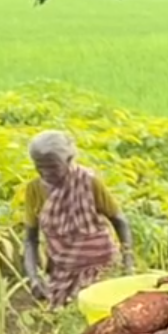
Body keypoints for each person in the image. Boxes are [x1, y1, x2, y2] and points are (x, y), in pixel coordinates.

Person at [22, 130, 134, 307]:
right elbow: (30, 239)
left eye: (52, 166)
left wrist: (128, 263)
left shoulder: (88, 182)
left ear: (68, 160)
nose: (45, 172)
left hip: (101, 267)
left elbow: (119, 220)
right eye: (39, 166)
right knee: (68, 319)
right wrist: (34, 278)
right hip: (62, 272)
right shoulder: (34, 190)